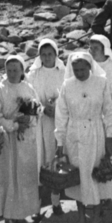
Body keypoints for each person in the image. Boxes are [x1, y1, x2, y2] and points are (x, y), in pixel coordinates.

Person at [54, 51, 112, 223]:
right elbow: (61, 114)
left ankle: (97, 217)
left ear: (90, 67)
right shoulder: (67, 85)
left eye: (82, 69)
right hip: (74, 134)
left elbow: (108, 111)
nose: (79, 72)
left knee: (94, 175)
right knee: (78, 177)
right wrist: (59, 141)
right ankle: (81, 217)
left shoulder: (101, 83)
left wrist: (109, 136)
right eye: (75, 69)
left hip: (95, 132)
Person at [0, 56, 42, 223]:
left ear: (22, 71)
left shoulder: (28, 88)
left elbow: (37, 109)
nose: (12, 73)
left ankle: (22, 215)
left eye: (15, 70)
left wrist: (28, 121)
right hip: (7, 140)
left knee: (25, 177)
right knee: (8, 177)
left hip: (25, 140)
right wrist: (13, 125)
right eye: (9, 70)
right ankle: (8, 217)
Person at [28, 39, 65, 173]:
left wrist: (58, 108)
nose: (47, 57)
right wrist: (42, 108)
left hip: (60, 118)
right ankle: (45, 183)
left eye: (50, 54)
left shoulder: (64, 72)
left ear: (56, 54)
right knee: (43, 150)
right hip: (42, 119)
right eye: (43, 54)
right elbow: (29, 96)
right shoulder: (33, 74)